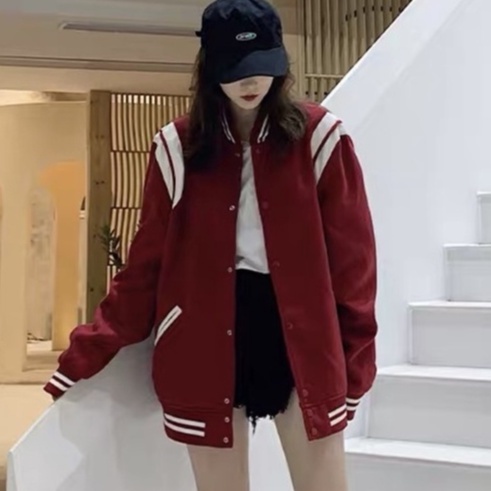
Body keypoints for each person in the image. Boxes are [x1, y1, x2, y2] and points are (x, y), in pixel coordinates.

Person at [44, 0, 378, 489]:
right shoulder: (176, 148)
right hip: (203, 340)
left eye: (261, 65)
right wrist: (88, 350)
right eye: (235, 68)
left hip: (303, 337)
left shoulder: (319, 138)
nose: (250, 81)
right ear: (209, 69)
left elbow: (355, 266)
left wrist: (356, 363)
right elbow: (146, 266)